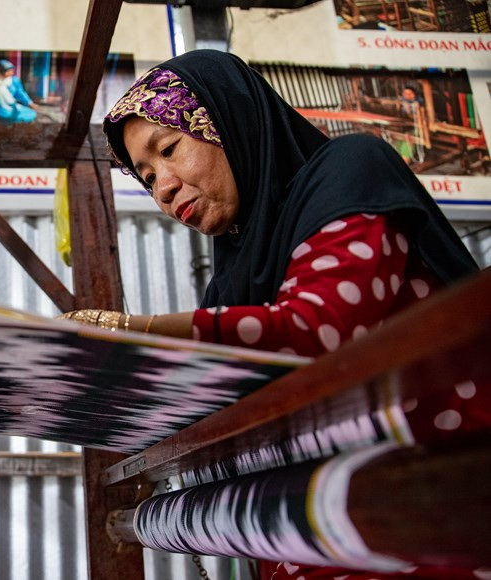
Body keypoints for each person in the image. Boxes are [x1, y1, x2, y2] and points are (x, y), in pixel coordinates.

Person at [59, 50, 484, 579]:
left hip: (433, 518)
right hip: (313, 547)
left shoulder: (350, 174)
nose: (163, 188)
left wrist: (121, 331)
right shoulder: (229, 290)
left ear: (227, 121)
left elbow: (314, 332)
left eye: (169, 149)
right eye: (147, 179)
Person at [0, 59, 38, 123]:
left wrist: (29, 103)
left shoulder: (13, 81)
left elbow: (20, 93)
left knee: (30, 114)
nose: (11, 73)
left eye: (12, 70)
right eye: (8, 71)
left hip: (13, 106)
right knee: (12, 118)